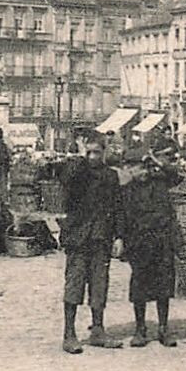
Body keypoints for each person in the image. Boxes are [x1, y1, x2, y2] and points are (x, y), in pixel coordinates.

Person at [53, 135, 122, 353]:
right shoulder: (77, 172)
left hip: (101, 237)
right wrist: (80, 157)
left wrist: (119, 236)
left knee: (99, 285)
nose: (92, 157)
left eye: (97, 152)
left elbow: (118, 207)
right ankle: (69, 334)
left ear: (104, 152)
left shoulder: (111, 176)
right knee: (74, 284)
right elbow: (66, 178)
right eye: (89, 152)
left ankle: (98, 331)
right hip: (78, 238)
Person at [115, 141, 184, 347]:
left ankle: (163, 328)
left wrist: (156, 162)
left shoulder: (160, 180)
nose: (141, 171)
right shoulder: (126, 190)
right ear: (128, 168)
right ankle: (140, 329)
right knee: (139, 285)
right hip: (139, 241)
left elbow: (177, 176)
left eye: (144, 166)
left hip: (163, 239)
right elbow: (120, 216)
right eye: (136, 167)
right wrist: (120, 238)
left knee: (164, 285)